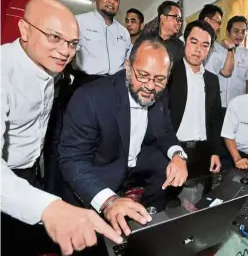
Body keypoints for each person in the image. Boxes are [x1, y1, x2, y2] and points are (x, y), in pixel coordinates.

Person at [1, 0, 122, 256]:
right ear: (24, 29)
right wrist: (49, 207)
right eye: (54, 37)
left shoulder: (52, 66)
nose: (65, 51)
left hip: (33, 172)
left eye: (73, 43)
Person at [59, 38, 188, 236]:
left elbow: (165, 132)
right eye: (143, 75)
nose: (150, 87)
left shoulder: (159, 91)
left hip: (135, 172)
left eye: (160, 79)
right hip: (98, 174)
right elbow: (72, 160)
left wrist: (179, 156)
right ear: (128, 65)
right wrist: (109, 201)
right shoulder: (90, 98)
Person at [168, 20, 223, 178]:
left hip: (202, 152)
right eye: (194, 42)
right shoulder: (170, 72)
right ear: (185, 42)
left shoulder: (212, 80)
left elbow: (215, 119)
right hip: (173, 150)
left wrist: (215, 152)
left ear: (210, 49)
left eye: (205, 45)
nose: (198, 49)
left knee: (199, 200)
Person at [73, 0, 131, 87]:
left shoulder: (124, 32)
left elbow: (128, 63)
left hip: (116, 85)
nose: (111, 1)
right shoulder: (78, 22)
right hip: (87, 84)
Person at [205, 16, 248, 115]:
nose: (240, 35)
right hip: (216, 104)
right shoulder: (216, 51)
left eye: (243, 31)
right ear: (227, 32)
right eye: (236, 31)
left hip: (238, 105)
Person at [199, 4, 236, 81]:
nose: (219, 27)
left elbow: (227, 72)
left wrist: (230, 50)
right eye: (218, 22)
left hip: (211, 90)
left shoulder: (218, 48)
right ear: (207, 20)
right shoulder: (186, 42)